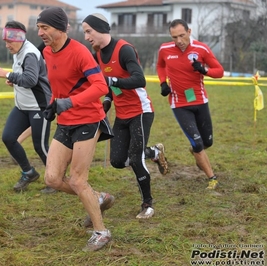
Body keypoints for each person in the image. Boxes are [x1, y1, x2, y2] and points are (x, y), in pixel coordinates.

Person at [37, 7, 115, 252]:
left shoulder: (80, 52)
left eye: (45, 28)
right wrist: (53, 105)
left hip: (88, 120)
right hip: (65, 121)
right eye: (39, 27)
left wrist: (69, 102)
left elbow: (101, 86)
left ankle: (101, 232)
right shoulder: (47, 52)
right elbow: (60, 85)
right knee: (52, 178)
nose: (40, 32)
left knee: (79, 180)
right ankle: (99, 198)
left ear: (59, 28)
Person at [82, 13, 168, 220]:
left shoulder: (124, 49)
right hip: (121, 113)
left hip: (141, 111)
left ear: (100, 28)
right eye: (84, 32)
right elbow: (107, 85)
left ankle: (148, 204)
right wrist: (108, 100)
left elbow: (139, 80)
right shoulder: (97, 54)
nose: (86, 37)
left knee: (136, 159)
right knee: (118, 161)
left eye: (88, 31)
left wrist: (111, 80)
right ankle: (154, 152)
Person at [156, 19, 224, 190]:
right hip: (179, 104)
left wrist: (204, 70)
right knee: (198, 143)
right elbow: (160, 65)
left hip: (200, 101)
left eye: (181, 35)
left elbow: (220, 71)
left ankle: (196, 151)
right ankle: (212, 178)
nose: (179, 40)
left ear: (189, 31)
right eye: (174, 37)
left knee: (207, 142)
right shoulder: (165, 49)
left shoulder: (201, 49)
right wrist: (163, 83)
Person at [0, 20, 54, 193]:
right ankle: (29, 172)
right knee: (8, 138)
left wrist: (7, 74)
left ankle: (56, 179)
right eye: (5, 41)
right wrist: (13, 80)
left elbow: (30, 80)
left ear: (19, 39)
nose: (7, 45)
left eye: (9, 41)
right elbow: (26, 78)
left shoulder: (29, 53)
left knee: (40, 146)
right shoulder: (18, 51)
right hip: (22, 107)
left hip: (39, 107)